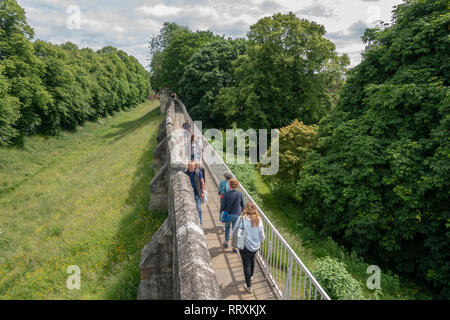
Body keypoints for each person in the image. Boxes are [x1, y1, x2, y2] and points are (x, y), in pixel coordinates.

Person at [233, 202, 265, 294]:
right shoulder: (258, 219)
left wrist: (234, 241)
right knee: (252, 259)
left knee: (246, 265)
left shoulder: (242, 219)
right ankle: (251, 275)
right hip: (255, 246)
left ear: (246, 209)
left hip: (245, 246)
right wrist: (261, 243)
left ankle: (249, 286)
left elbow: (235, 230)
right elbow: (262, 235)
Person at [220, 178, 244, 253]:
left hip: (228, 215)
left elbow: (223, 204)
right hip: (237, 215)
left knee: (227, 228)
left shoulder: (226, 194)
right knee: (235, 231)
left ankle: (226, 242)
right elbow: (242, 205)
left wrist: (221, 212)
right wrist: (242, 213)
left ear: (229, 185)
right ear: (237, 186)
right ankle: (234, 248)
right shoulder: (239, 194)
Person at [184, 161, 205, 225]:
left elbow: (202, 182)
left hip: (197, 193)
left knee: (199, 209)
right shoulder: (185, 173)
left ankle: (200, 223)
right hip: (188, 193)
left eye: (194, 166)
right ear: (188, 166)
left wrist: (202, 192)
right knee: (190, 209)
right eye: (191, 166)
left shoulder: (198, 172)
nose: (193, 167)